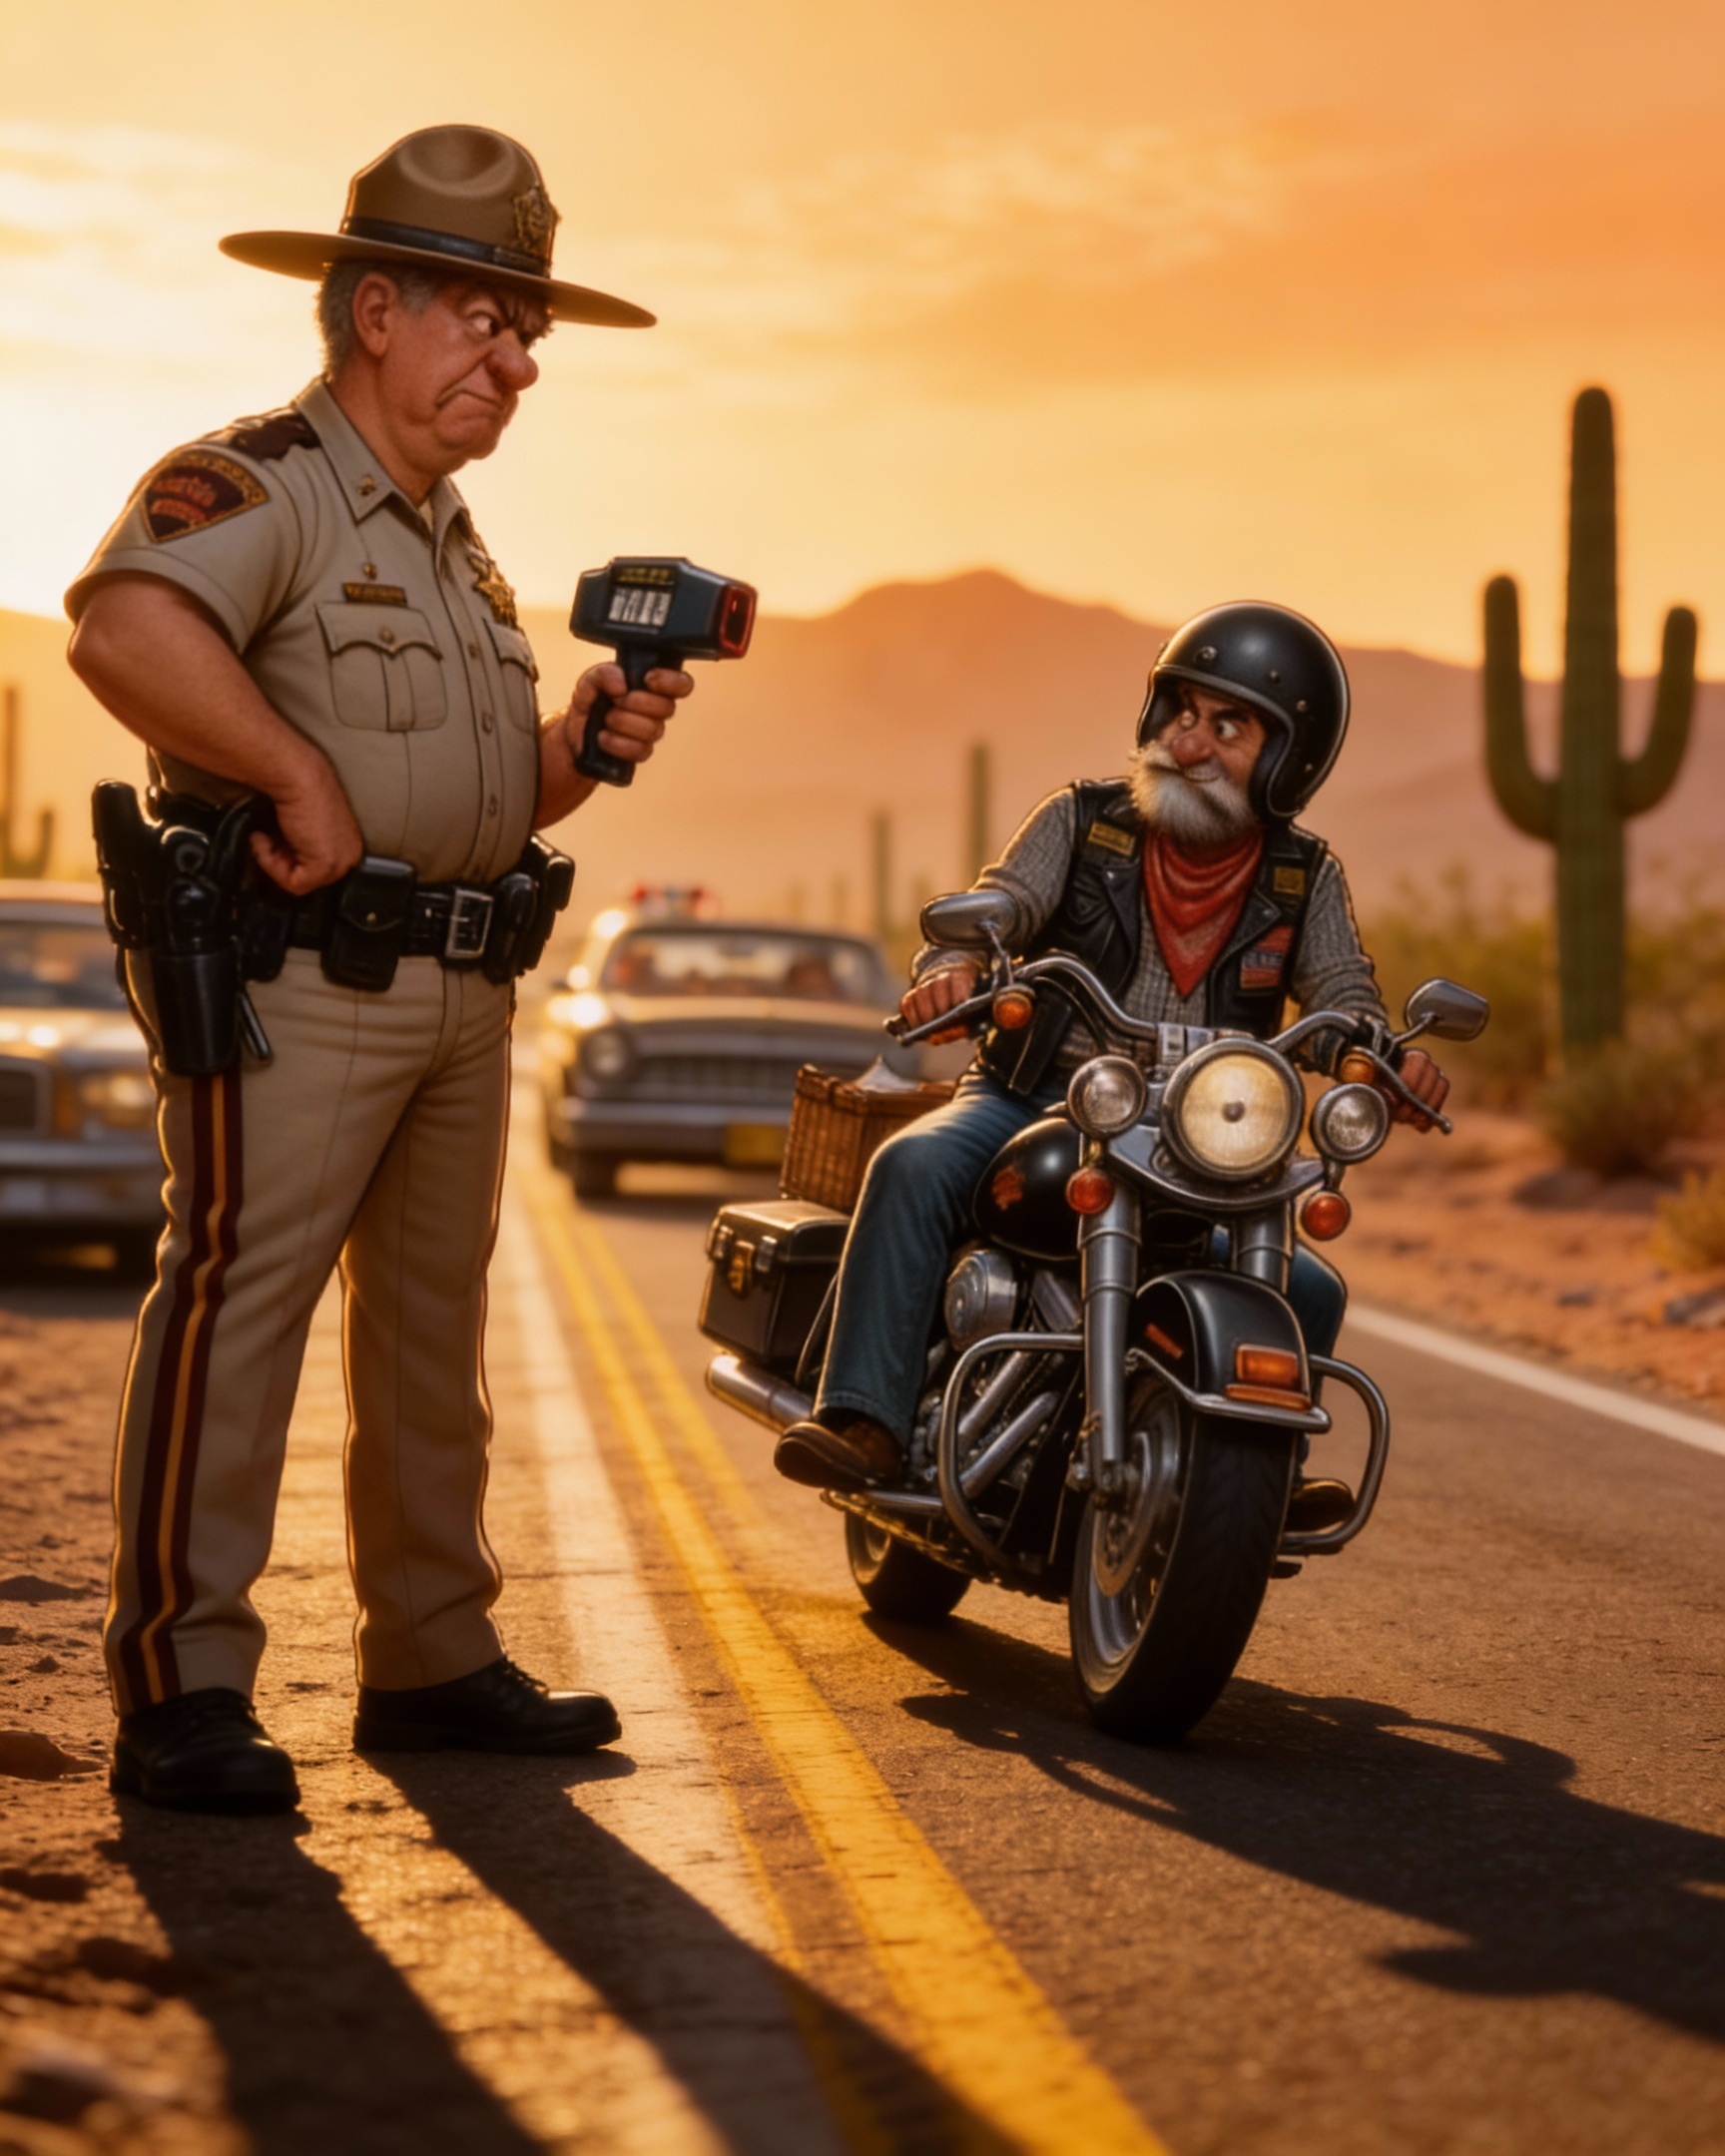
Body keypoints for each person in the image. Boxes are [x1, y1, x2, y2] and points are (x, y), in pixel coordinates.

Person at [66, 126, 693, 1815]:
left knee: (431, 1336)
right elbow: (124, 627)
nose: (520, 360)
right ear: (373, 312)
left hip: (461, 988)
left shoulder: (456, 545)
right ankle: (183, 1681)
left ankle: (428, 1655)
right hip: (300, 981)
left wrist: (576, 745)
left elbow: (483, 799)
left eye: (528, 331)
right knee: (238, 1307)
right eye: (487, 321)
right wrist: (293, 774)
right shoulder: (261, 481)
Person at [775, 602, 1449, 1518]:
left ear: (1287, 761)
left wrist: (1380, 1055)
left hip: (1202, 1141)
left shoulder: (1303, 877)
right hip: (1036, 1099)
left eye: (1228, 727)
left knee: (1309, 1288)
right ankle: (867, 1418)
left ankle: (1260, 1478)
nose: (1189, 741)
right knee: (913, 1165)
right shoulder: (1084, 823)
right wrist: (953, 970)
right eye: (1183, 711)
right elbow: (998, 908)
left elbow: (1342, 993)